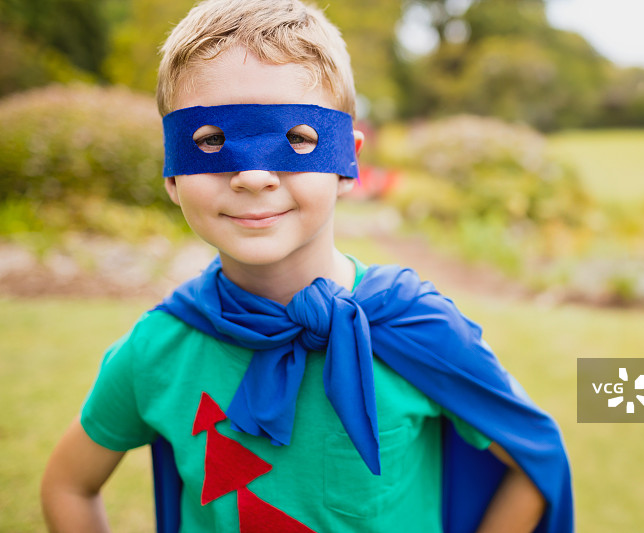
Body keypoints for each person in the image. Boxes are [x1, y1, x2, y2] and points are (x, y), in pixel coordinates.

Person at [41, 1, 572, 532]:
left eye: (297, 139)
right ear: (173, 174)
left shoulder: (419, 327)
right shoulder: (159, 349)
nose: (252, 175)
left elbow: (535, 458)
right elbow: (68, 483)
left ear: (348, 162)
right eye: (209, 141)